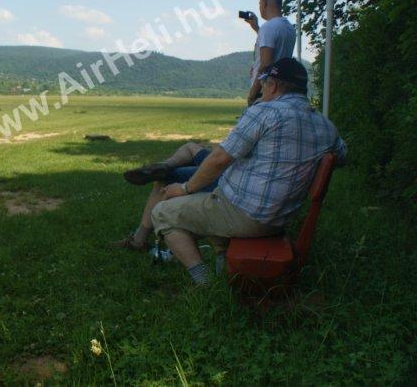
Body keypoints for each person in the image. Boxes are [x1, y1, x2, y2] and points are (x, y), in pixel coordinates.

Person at [115, 58, 347, 285]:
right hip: (279, 217)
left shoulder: (266, 112)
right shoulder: (326, 126)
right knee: (214, 198)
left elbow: (219, 159)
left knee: (162, 212)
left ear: (273, 85)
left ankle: (206, 284)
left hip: (246, 214)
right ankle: (221, 265)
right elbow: (342, 156)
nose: (260, 89)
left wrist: (185, 189)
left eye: (263, 83)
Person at [243, 0, 296, 106]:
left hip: (265, 90)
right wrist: (257, 28)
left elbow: (266, 65)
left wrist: (253, 93)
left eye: (260, 3)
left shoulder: (268, 28)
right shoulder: (288, 28)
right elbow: (275, 46)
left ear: (265, 3)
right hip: (280, 88)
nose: (259, 6)